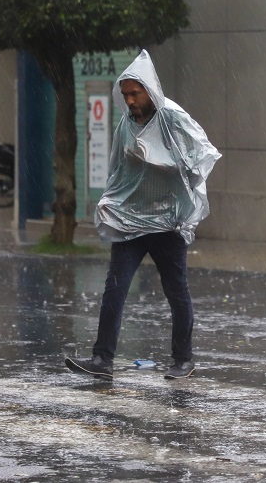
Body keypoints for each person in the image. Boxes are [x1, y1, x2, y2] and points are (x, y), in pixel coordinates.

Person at [65, 50, 221, 381]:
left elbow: (201, 157)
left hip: (167, 223)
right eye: (125, 95)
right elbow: (118, 169)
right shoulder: (126, 124)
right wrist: (109, 201)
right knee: (115, 288)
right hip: (132, 223)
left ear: (150, 90)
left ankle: (183, 359)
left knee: (176, 291)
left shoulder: (173, 118)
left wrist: (171, 174)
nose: (130, 101)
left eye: (135, 93)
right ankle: (102, 359)